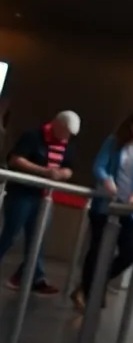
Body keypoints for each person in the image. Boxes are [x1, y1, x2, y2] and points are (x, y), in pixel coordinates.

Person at [73, 107, 133, 311]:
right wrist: (107, 180)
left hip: (132, 208)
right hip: (107, 204)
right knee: (97, 249)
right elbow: (99, 165)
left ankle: (97, 282)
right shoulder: (114, 140)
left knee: (129, 252)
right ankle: (88, 292)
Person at [0, 110, 80, 295]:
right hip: (21, 194)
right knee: (11, 234)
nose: (67, 137)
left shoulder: (67, 145)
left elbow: (69, 167)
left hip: (45, 197)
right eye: (65, 131)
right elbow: (15, 159)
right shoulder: (33, 137)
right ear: (57, 125)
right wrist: (44, 172)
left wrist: (63, 174)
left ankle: (32, 276)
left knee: (38, 238)